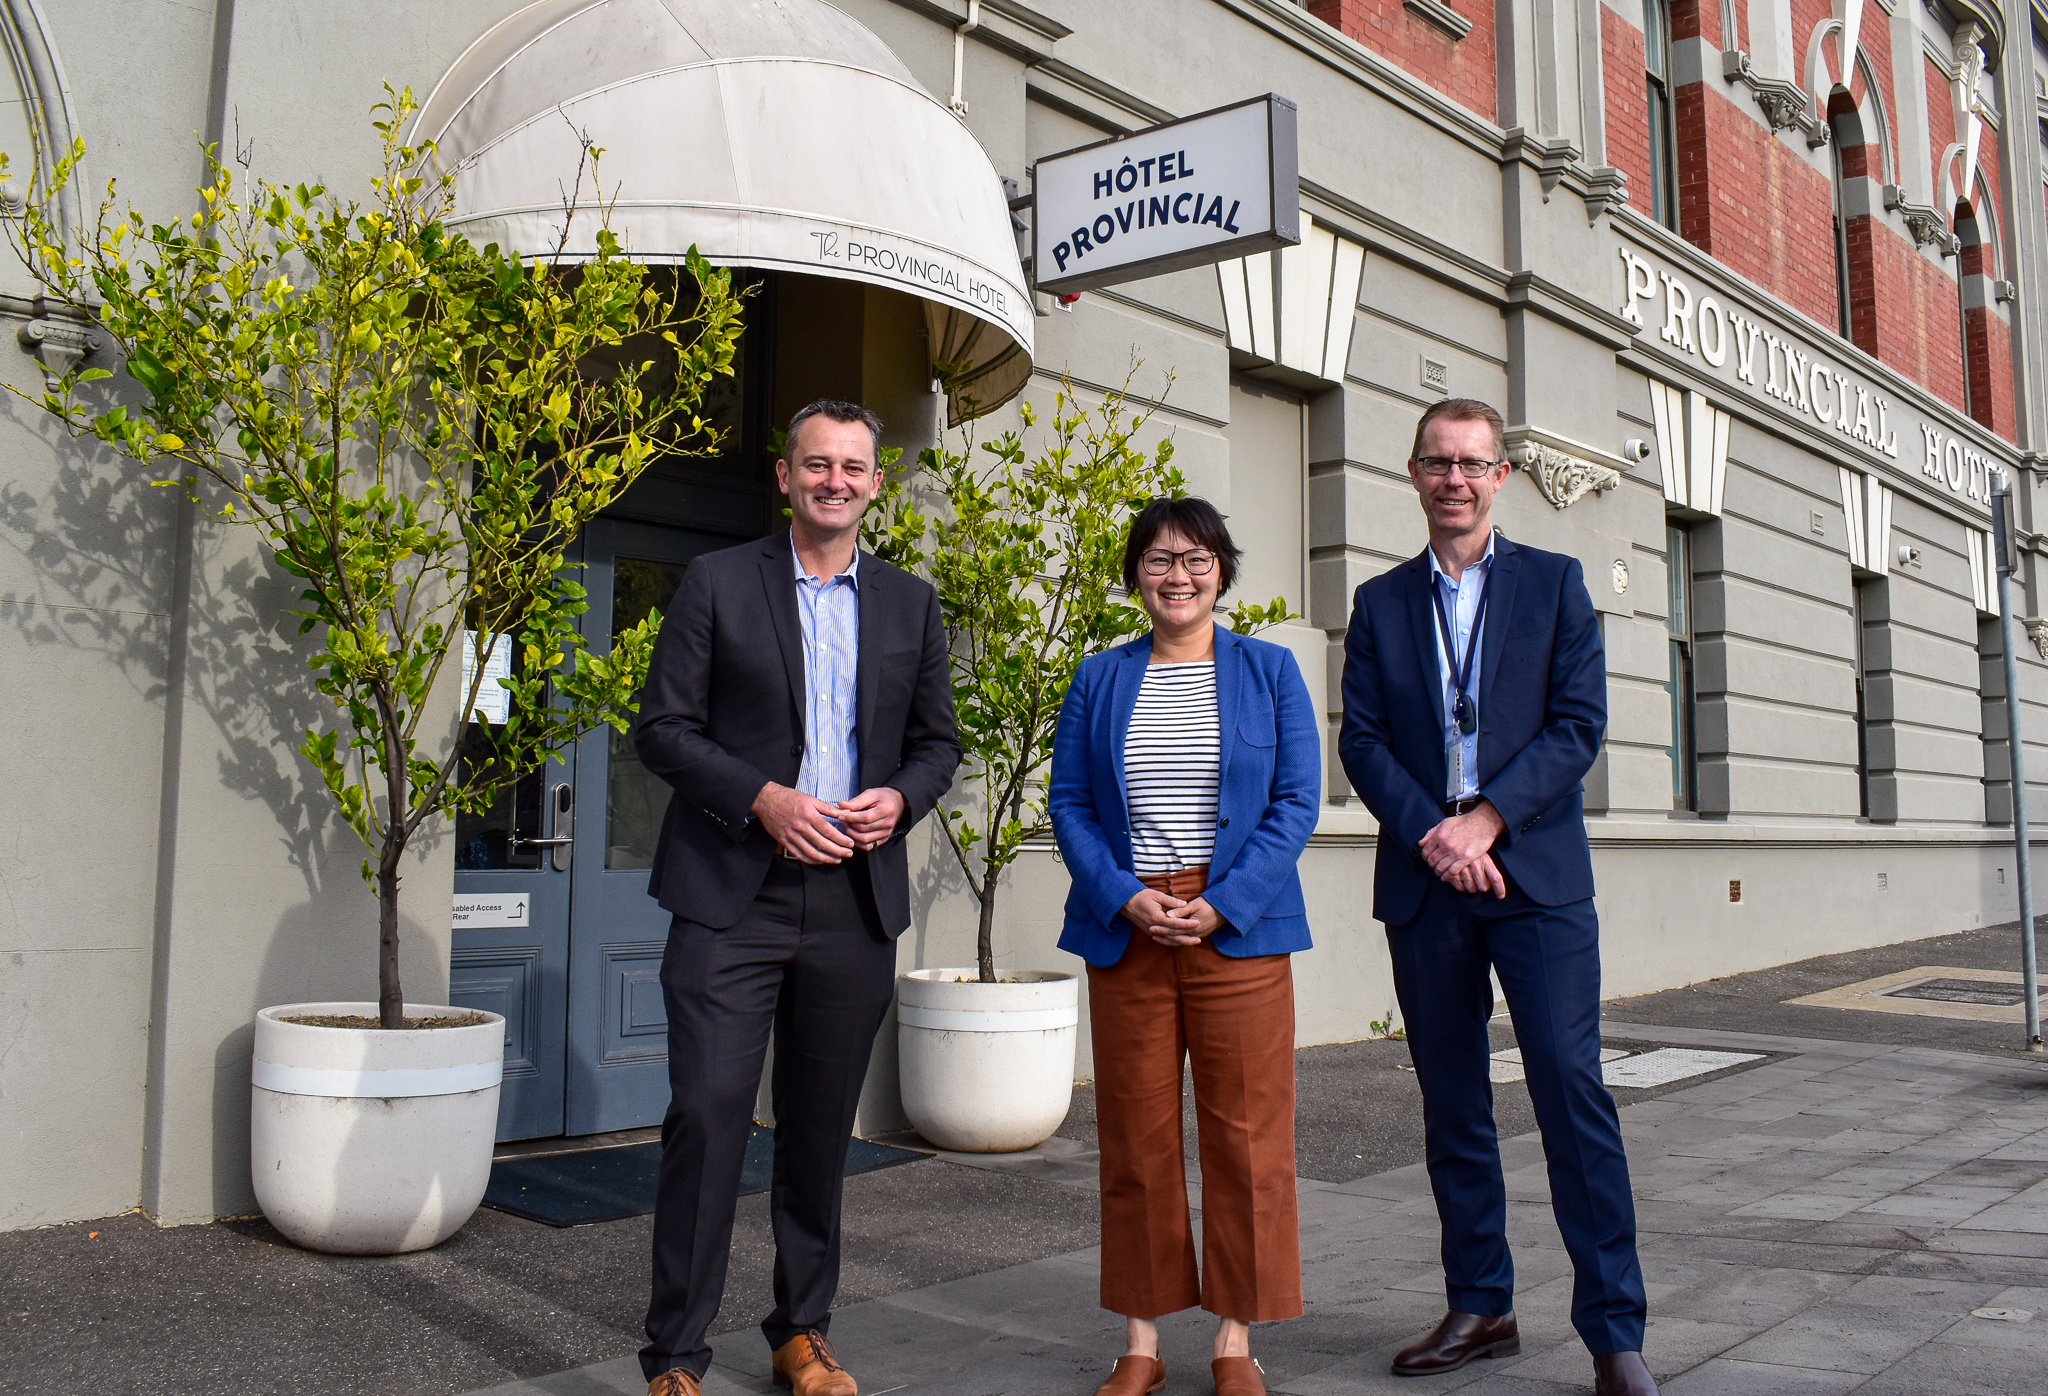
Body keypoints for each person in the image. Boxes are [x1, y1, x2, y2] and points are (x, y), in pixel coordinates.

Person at [632, 399, 961, 1396]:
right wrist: (764, 799)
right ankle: (677, 1354)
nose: (835, 481)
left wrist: (899, 798)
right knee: (708, 1112)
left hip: (850, 901)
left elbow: (936, 743)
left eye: (853, 468)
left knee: (820, 1129)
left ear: (873, 483)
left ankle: (799, 1331)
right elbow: (662, 728)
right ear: (785, 476)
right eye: (816, 464)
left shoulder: (910, 602)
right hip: (733, 895)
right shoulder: (717, 583)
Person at [1336, 398, 1657, 1396]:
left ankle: (1613, 1332)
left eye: (1473, 464)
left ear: (1500, 476)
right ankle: (1481, 1300)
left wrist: (1488, 821)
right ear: (1413, 472)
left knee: (1569, 1088)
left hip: (1535, 877)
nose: (1455, 480)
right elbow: (1360, 740)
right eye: (1438, 462)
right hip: (1426, 880)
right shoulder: (1381, 601)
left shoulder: (1556, 586)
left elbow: (1576, 725)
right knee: (1453, 1101)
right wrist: (1436, 830)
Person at [1050, 497, 1321, 1396]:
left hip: (1235, 932)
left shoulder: (1271, 670)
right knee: (1137, 1136)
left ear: (1222, 571)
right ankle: (1142, 1339)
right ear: (1136, 574)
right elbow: (1072, 808)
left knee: (1248, 1139)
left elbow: (1295, 803)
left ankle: (1235, 1342)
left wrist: (1224, 903)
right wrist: (1126, 897)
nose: (1179, 576)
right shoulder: (1098, 679)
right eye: (1161, 560)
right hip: (1128, 931)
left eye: (1197, 560)